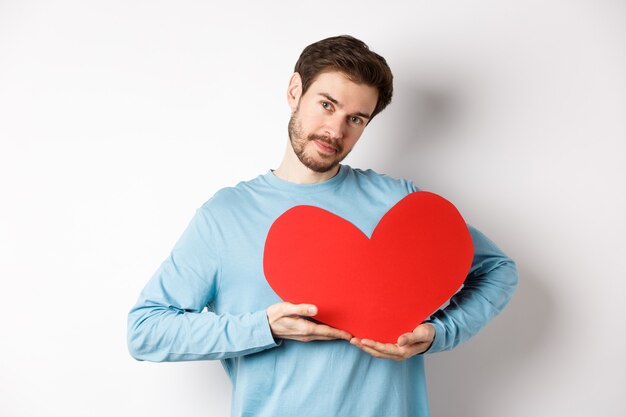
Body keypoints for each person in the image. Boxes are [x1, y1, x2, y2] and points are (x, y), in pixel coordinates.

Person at [127, 35, 518, 417]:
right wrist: (265, 327)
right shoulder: (227, 215)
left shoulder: (400, 204)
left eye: (356, 119)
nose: (336, 130)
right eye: (327, 104)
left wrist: (439, 334)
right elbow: (147, 330)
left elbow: (497, 270)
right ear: (295, 90)